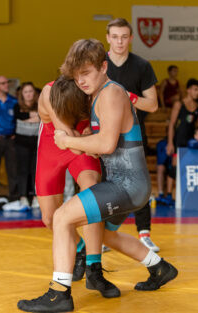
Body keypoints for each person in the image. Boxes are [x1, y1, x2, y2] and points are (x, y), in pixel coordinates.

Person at [17, 38, 177, 313]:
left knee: (62, 217)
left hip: (126, 186)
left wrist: (70, 142)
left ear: (104, 67)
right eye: (76, 75)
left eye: (86, 74)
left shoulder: (112, 93)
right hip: (125, 185)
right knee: (103, 234)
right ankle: (159, 267)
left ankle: (59, 293)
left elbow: (106, 145)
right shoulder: (99, 93)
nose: (81, 81)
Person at [35, 76, 116, 296]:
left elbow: (97, 136)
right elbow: (71, 143)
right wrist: (90, 139)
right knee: (50, 218)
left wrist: (91, 137)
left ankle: (94, 267)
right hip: (54, 148)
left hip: (78, 141)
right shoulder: (50, 94)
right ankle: (79, 248)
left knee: (91, 194)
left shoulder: (92, 92)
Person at [105, 18, 160, 252]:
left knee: (138, 184)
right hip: (102, 134)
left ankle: (144, 234)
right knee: (102, 185)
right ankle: (103, 235)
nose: (119, 41)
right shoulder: (99, 64)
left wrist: (129, 96)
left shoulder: (142, 66)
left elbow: (153, 105)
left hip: (133, 136)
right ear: (108, 38)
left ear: (130, 38)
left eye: (124, 37)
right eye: (115, 36)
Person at [4, 82, 40, 211]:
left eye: (31, 91)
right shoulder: (16, 106)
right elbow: (19, 116)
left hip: (37, 142)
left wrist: (29, 118)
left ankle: (36, 196)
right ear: (22, 94)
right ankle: (23, 196)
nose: (29, 94)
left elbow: (42, 118)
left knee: (36, 170)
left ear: (34, 93)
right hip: (21, 143)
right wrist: (33, 116)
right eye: (26, 92)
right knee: (22, 170)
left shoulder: (41, 105)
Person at [167, 78, 198, 156]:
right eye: (195, 90)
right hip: (178, 139)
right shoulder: (179, 104)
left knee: (190, 164)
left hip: (192, 140)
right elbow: (172, 124)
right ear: (188, 90)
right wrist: (170, 143)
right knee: (176, 165)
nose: (197, 92)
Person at [155, 137, 175, 206]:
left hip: (174, 166)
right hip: (166, 164)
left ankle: (169, 195)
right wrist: (167, 152)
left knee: (173, 168)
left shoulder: (178, 141)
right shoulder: (162, 143)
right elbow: (160, 161)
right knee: (160, 168)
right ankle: (161, 194)